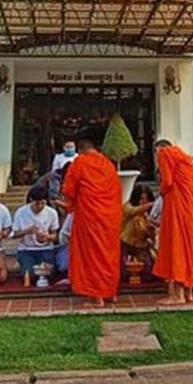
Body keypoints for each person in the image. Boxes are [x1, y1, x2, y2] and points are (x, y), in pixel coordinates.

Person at [62, 129, 122, 306]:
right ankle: (111, 293)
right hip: (110, 217)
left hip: (90, 217)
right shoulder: (109, 164)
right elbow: (117, 190)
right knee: (109, 254)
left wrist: (69, 206)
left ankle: (96, 297)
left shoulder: (80, 163)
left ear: (80, 150)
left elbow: (68, 190)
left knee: (91, 254)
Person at [152, 140, 193, 304]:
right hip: (190, 208)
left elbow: (167, 182)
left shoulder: (165, 154)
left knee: (176, 246)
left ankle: (177, 295)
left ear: (159, 149)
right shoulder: (187, 159)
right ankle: (189, 293)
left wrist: (161, 191)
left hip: (176, 205)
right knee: (189, 246)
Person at [13, 185, 60, 282]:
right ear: (31, 200)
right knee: (29, 275)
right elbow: (15, 234)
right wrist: (28, 231)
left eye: (43, 203)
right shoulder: (21, 212)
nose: (40, 206)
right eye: (37, 203)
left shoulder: (51, 213)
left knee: (49, 274)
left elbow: (55, 236)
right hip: (26, 249)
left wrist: (47, 237)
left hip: (45, 248)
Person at [121, 184, 157, 274]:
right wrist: (148, 206)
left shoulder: (150, 214)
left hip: (141, 246)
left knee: (148, 271)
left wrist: (151, 231)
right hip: (126, 244)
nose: (144, 201)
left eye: (146, 199)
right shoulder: (127, 206)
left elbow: (151, 235)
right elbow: (132, 211)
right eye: (142, 199)